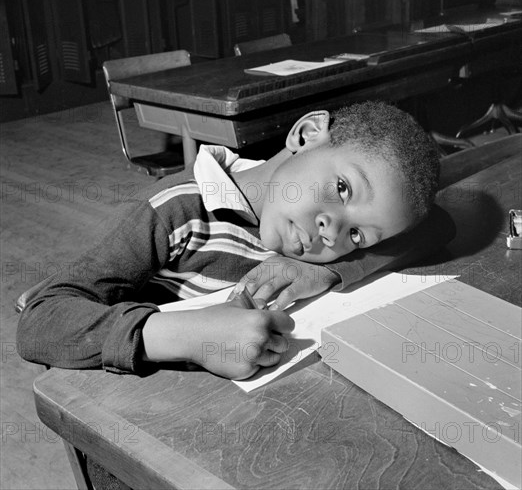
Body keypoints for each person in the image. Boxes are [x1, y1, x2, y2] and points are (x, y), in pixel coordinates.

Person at [17, 101, 453, 380]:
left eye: (356, 234)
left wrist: (322, 271)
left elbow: (438, 226)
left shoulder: (319, 249)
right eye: (342, 188)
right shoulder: (177, 210)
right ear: (306, 135)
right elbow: (40, 321)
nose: (331, 231)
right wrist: (192, 337)